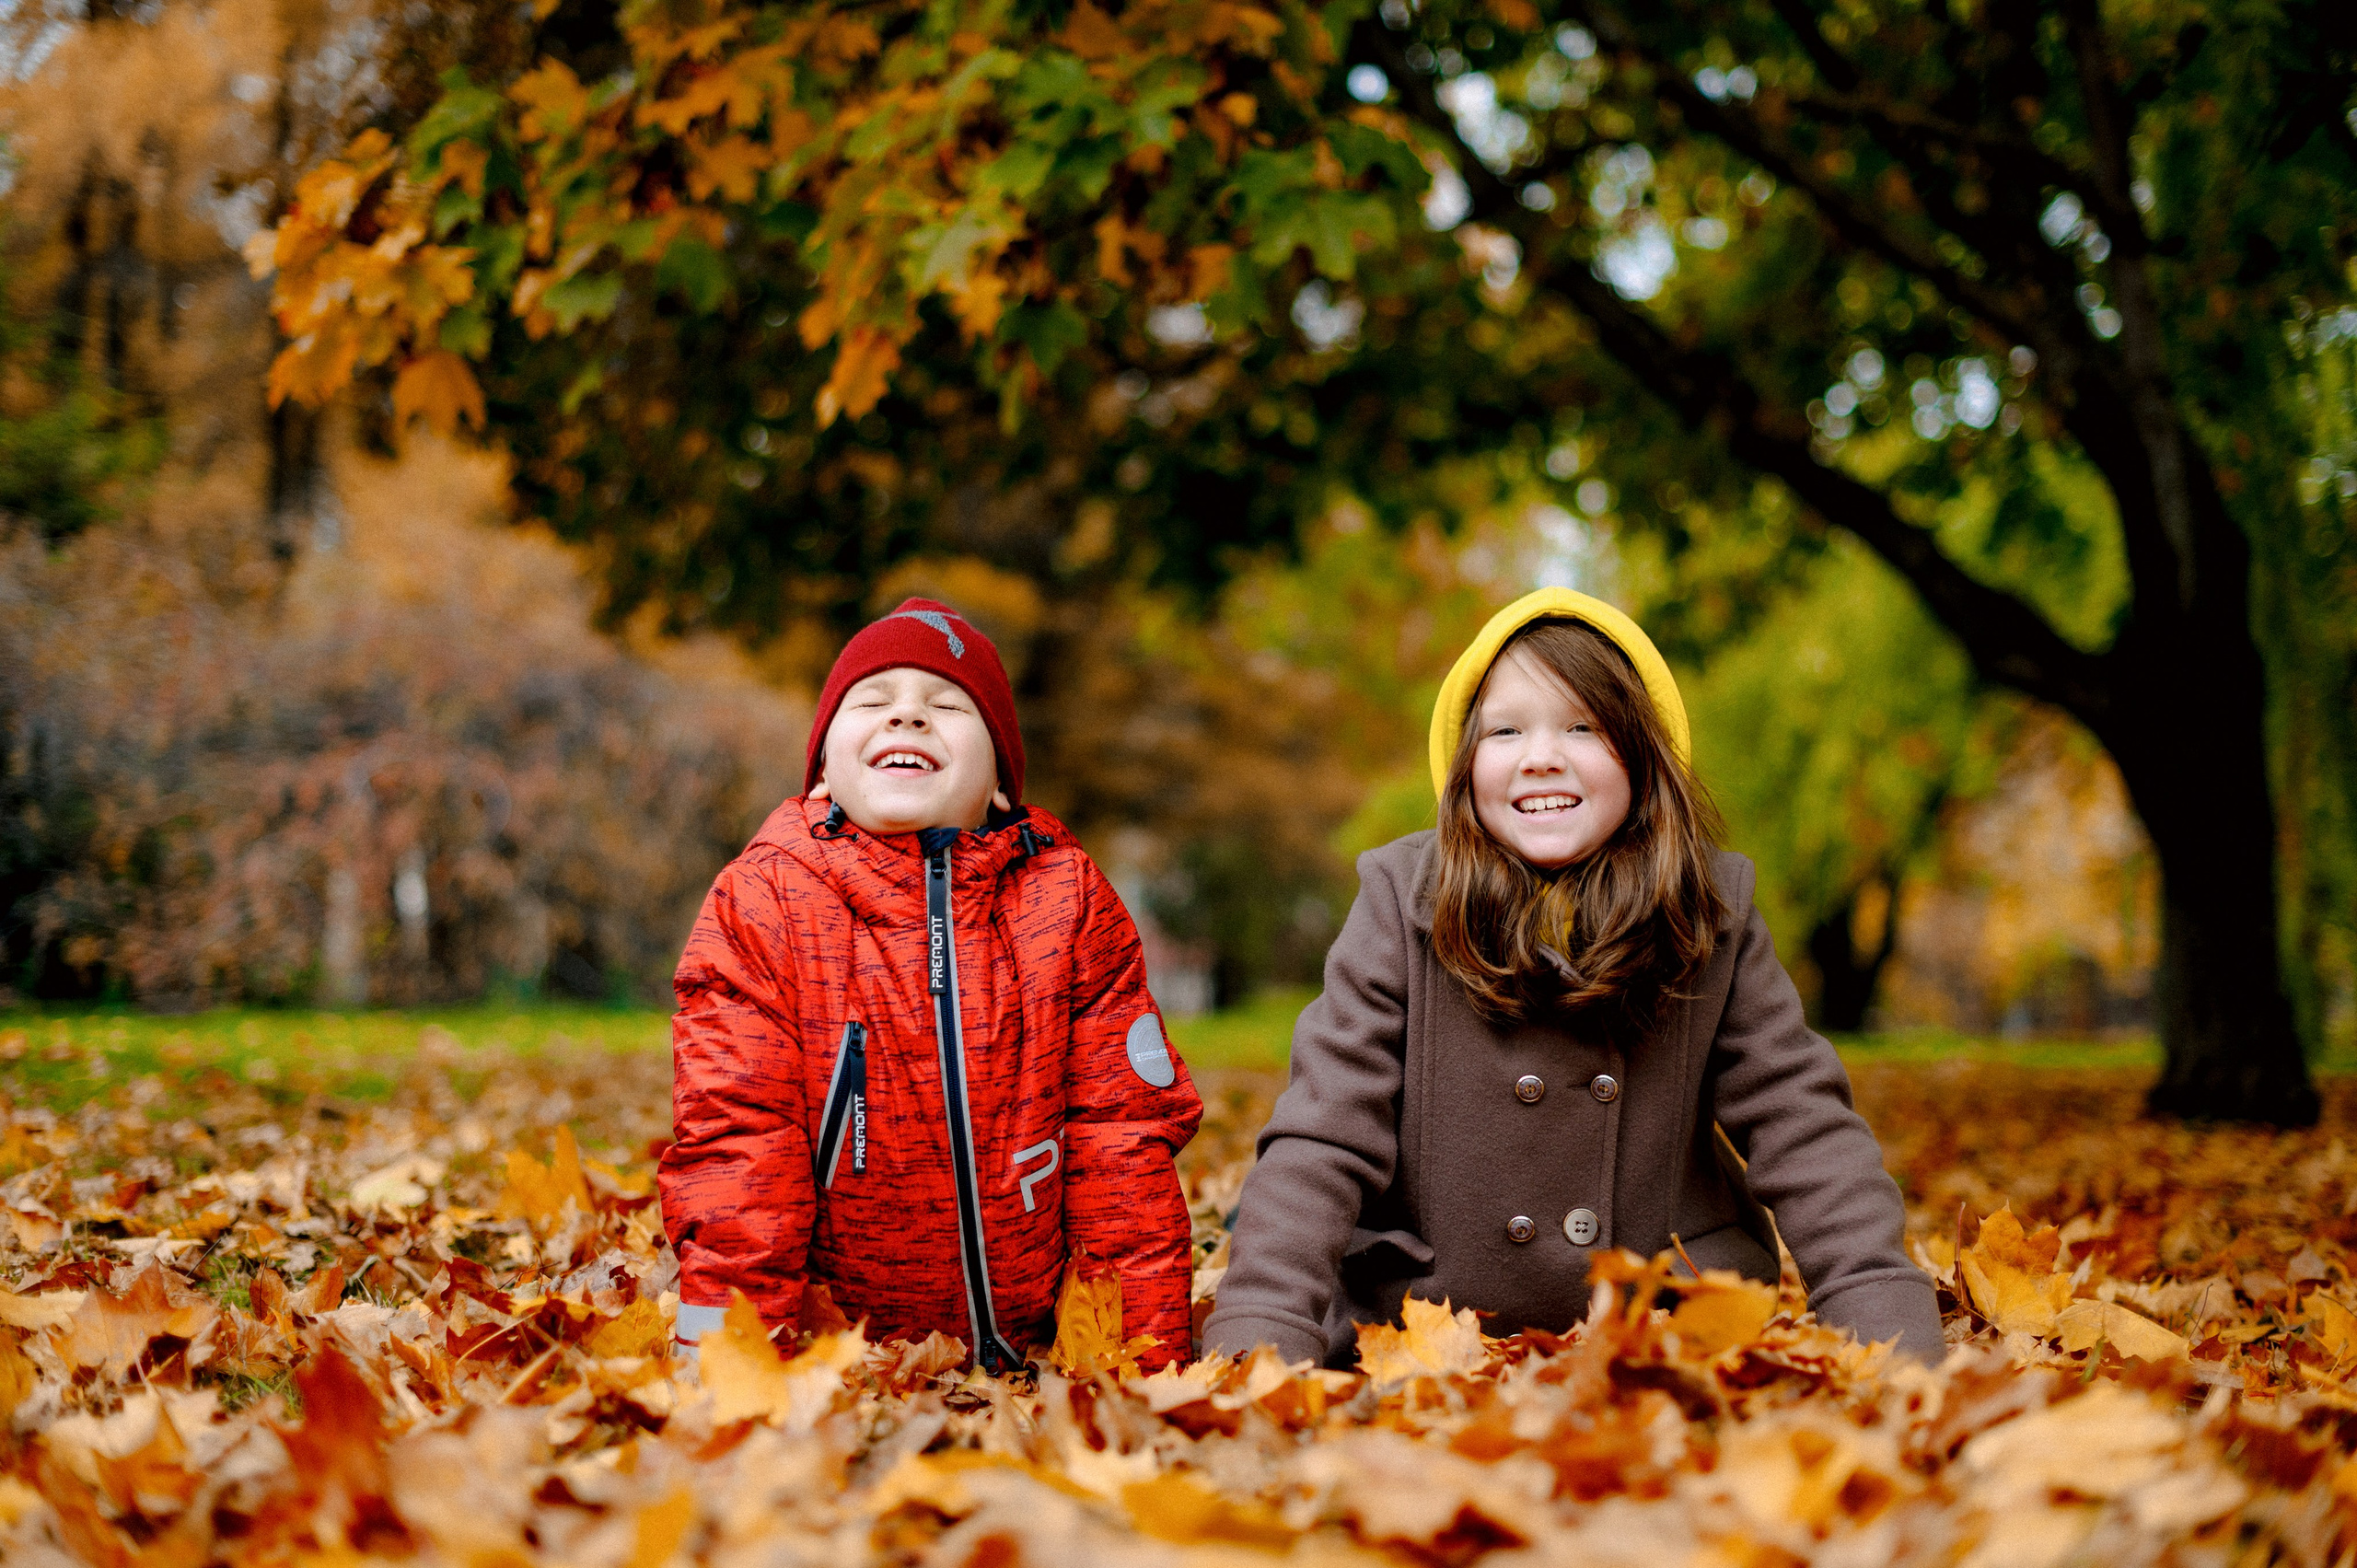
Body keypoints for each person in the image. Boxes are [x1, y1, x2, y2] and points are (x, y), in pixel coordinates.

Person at [1202, 588, 1943, 1367]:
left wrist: (1885, 1327)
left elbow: (1803, 1125)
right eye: (1505, 730)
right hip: (1424, 1319)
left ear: (1646, 757)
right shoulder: (1402, 900)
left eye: (1584, 726)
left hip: (1659, 1322)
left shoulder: (1707, 909)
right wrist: (1262, 1332)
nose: (1541, 754)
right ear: (1463, 765)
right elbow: (1324, 1131)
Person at [660, 598, 1202, 1372]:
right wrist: (728, 1380)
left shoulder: (1067, 901)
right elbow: (736, 1153)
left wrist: (1150, 1372)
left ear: (1002, 789)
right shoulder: (765, 902)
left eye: (946, 706)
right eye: (874, 702)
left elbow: (1119, 1143)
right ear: (820, 777)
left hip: (1036, 1363)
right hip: (835, 1363)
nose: (907, 717)